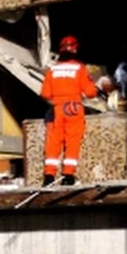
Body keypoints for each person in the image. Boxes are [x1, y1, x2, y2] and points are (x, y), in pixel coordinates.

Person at [40, 35, 99, 187]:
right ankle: (68, 175)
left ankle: (49, 176)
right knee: (72, 140)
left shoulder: (52, 70)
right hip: (74, 108)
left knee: (53, 142)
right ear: (75, 49)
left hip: (57, 109)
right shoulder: (79, 68)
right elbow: (91, 92)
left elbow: (45, 94)